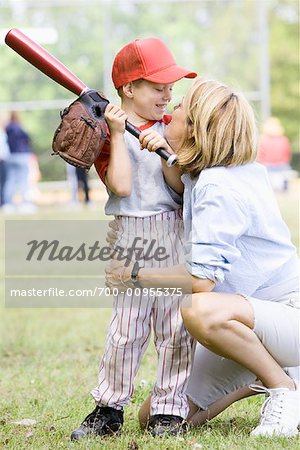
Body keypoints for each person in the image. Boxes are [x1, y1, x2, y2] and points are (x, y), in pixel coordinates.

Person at [106, 77, 300, 438]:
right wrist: (165, 153)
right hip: (247, 323)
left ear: (195, 127)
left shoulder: (220, 186)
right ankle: (267, 374)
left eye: (177, 109)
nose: (169, 113)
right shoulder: (215, 171)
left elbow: (200, 283)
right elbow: (183, 184)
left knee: (199, 309)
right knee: (156, 418)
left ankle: (282, 387)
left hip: (286, 316)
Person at [70, 37, 197, 441]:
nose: (167, 94)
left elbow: (179, 188)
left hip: (173, 230)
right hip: (133, 235)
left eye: (170, 87)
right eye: (157, 86)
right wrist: (119, 133)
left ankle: (168, 410)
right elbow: (120, 187)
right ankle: (109, 407)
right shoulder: (107, 132)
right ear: (129, 88)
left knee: (175, 329)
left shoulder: (171, 127)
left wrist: (167, 148)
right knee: (127, 329)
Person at [2, 111, 35, 212]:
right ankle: (24, 204)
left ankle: (8, 204)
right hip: (22, 156)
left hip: (11, 156)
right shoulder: (20, 128)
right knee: (23, 181)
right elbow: (28, 139)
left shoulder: (7, 128)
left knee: (10, 181)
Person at [257, 117, 293, 191]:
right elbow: (287, 155)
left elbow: (259, 156)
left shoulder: (262, 139)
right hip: (280, 165)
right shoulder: (284, 140)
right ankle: (285, 189)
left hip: (268, 165)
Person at [0, 114, 10, 207]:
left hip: (4, 159)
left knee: (4, 181)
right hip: (2, 159)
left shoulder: (3, 131)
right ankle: (3, 202)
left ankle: (3, 201)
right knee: (3, 181)